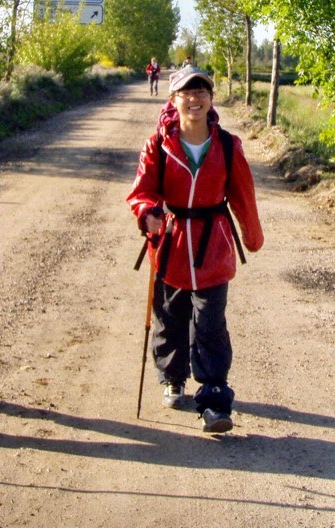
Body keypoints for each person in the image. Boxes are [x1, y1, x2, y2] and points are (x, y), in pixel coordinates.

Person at [127, 65, 264, 434]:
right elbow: (141, 192)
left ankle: (215, 397)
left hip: (214, 245)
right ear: (174, 100)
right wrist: (147, 213)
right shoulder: (157, 144)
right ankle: (173, 377)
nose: (195, 98)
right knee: (170, 318)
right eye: (187, 92)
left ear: (211, 99)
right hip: (170, 245)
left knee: (210, 323)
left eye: (202, 91)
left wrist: (252, 236)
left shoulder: (226, 145)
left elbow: (242, 195)